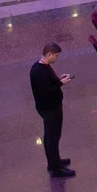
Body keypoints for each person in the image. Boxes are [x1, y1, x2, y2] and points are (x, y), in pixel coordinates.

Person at [31, 42, 74, 178]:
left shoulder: (40, 66)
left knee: (49, 136)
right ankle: (56, 169)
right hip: (50, 108)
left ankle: (53, 162)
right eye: (56, 56)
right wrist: (61, 83)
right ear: (49, 54)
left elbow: (47, 85)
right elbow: (46, 92)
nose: (57, 58)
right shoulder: (40, 71)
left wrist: (58, 79)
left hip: (47, 107)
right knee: (53, 138)